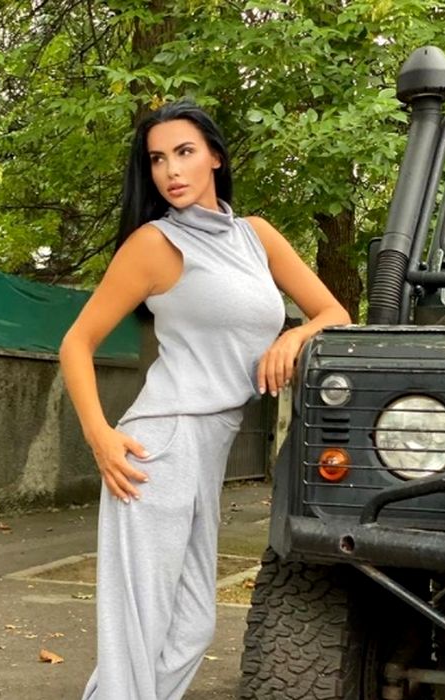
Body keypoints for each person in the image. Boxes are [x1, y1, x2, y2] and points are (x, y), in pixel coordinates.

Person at [59, 100, 351, 700]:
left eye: (184, 152)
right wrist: (99, 436)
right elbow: (76, 343)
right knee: (138, 636)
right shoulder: (154, 244)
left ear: (215, 156)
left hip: (209, 448)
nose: (171, 170)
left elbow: (334, 313)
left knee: (192, 627)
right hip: (160, 446)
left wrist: (293, 336)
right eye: (157, 159)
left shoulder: (256, 236)